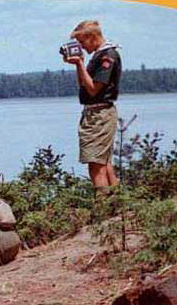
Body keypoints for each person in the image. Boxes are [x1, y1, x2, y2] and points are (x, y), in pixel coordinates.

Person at [64, 19, 123, 193]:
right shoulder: (98, 56)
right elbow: (84, 84)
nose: (81, 47)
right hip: (96, 113)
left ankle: (102, 204)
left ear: (92, 37)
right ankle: (118, 202)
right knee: (104, 162)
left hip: (100, 114)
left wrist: (80, 63)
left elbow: (93, 89)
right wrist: (79, 64)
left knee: (95, 164)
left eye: (82, 42)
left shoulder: (107, 56)